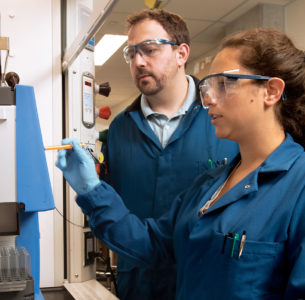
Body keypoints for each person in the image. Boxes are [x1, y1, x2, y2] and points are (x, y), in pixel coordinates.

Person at [57, 28, 305, 299]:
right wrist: (92, 189)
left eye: (224, 84)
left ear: (271, 91)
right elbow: (149, 243)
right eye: (208, 87)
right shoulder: (210, 185)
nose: (209, 99)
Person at [99, 9, 239, 299]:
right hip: (137, 283)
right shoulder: (119, 130)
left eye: (149, 49)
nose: (138, 61)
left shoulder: (224, 121)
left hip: (204, 281)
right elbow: (112, 206)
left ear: (181, 53)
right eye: (131, 53)